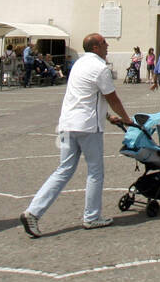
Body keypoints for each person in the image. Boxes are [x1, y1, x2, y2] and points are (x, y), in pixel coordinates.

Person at [19, 34, 131, 238]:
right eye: (104, 43)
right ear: (96, 47)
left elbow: (84, 96)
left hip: (67, 124)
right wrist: (126, 119)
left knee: (63, 170)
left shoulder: (79, 65)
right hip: (88, 127)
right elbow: (112, 98)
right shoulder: (100, 68)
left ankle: (33, 212)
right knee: (95, 171)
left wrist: (108, 116)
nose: (107, 46)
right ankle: (92, 216)